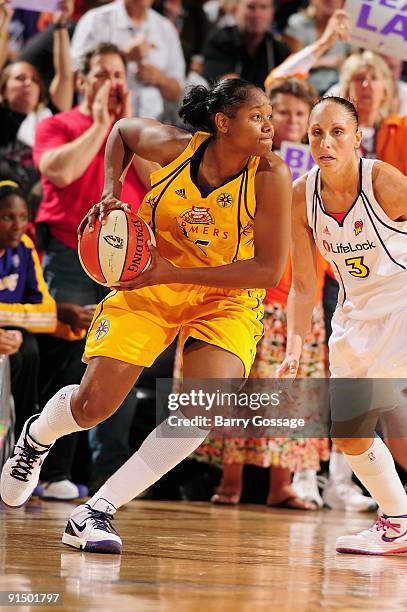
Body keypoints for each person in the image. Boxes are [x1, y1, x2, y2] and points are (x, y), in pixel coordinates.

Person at [1, 78, 291, 554]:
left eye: (269, 115)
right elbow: (121, 131)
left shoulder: (270, 174)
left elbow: (266, 269)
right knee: (94, 406)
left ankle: (97, 510)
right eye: (257, 116)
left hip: (225, 296)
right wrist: (112, 191)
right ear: (222, 124)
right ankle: (36, 436)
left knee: (199, 412)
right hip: (148, 283)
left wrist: (171, 270)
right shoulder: (175, 147)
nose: (269, 125)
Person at [278, 95, 407, 555]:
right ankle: (398, 521)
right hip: (353, 317)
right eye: (316, 132)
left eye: (336, 132)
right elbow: (304, 285)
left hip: (401, 305)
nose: (325, 141)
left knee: (398, 425)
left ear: (357, 138)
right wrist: (295, 343)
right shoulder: (300, 194)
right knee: (349, 435)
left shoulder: (383, 181)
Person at [70, 0, 185, 121]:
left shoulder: (166, 28)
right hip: (101, 122)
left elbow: (177, 94)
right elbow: (74, 79)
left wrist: (161, 79)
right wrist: (124, 56)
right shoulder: (95, 20)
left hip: (152, 128)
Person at [203, 0, 290, 89]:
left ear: (272, 12)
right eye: (251, 7)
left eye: (263, 7)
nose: (257, 14)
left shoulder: (278, 48)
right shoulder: (220, 41)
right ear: (236, 10)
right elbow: (228, 88)